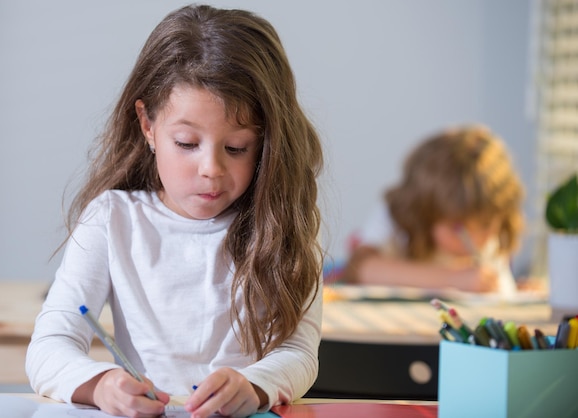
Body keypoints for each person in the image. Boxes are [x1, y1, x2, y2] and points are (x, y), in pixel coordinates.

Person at [26, 5, 324, 418]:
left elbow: (299, 352)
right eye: (186, 142)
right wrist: (102, 386)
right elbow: (48, 347)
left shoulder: (284, 225)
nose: (211, 170)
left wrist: (256, 385)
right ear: (147, 125)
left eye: (236, 148)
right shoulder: (112, 221)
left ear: (268, 142)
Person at [342, 125, 526, 297]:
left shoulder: (491, 226)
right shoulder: (397, 214)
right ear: (426, 213)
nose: (475, 239)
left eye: (485, 225)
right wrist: (454, 280)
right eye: (457, 227)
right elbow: (361, 269)